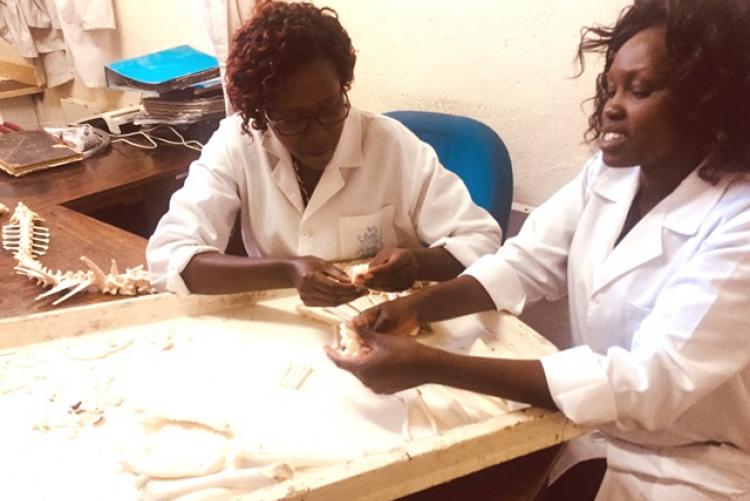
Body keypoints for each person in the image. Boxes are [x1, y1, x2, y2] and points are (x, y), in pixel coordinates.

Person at [327, 0, 750, 498]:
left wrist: (428, 364)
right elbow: (527, 261)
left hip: (700, 463)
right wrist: (416, 306)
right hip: (594, 432)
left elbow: (651, 381)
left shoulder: (738, 222)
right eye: (610, 87)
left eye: (639, 91)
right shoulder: (612, 175)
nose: (611, 105)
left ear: (709, 102)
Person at [146, 1, 501, 305]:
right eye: (292, 120)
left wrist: (417, 263)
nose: (317, 134)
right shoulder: (238, 143)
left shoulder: (391, 144)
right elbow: (170, 257)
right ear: (262, 114)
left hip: (385, 324)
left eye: (330, 109)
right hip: (283, 326)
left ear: (343, 86)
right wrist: (286, 271)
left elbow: (480, 239)